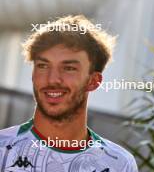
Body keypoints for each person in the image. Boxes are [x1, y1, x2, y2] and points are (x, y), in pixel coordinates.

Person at [0, 15, 138, 172]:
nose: (52, 79)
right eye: (43, 66)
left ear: (93, 81)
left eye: (69, 68)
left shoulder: (118, 163)